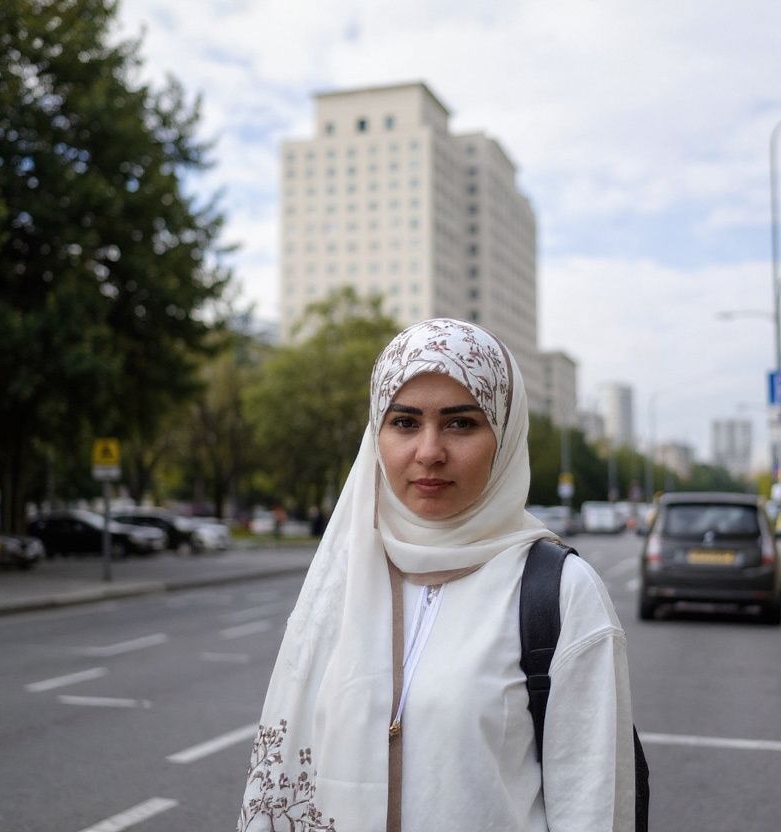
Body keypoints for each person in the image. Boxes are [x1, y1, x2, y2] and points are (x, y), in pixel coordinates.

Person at [236, 318, 636, 832]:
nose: (428, 452)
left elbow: (592, 805)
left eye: (461, 423)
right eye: (404, 423)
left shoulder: (559, 592)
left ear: (505, 435)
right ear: (376, 436)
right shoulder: (344, 579)